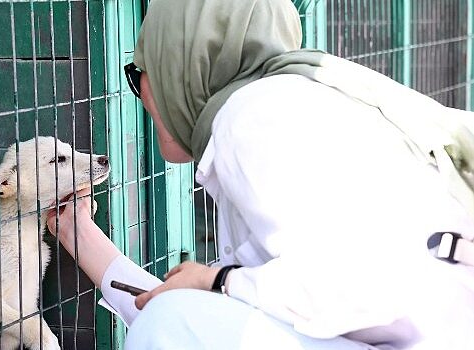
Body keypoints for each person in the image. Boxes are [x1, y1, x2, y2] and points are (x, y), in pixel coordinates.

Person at [46, 0, 474, 349]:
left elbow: (359, 287)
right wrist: (75, 231)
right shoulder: (280, 103)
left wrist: (219, 281)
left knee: (172, 322)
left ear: (184, 65)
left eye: (139, 73)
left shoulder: (253, 117)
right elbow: (211, 315)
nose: (139, 94)